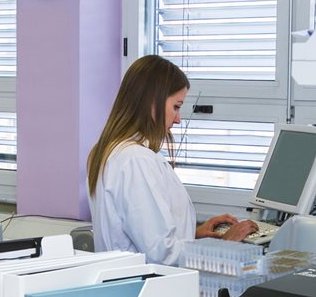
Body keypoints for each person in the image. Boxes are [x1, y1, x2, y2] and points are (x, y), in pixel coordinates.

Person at [86, 54, 257, 263]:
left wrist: (195, 234)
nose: (178, 119)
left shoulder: (109, 151)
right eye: (176, 106)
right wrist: (224, 245)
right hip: (152, 280)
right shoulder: (135, 159)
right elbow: (161, 253)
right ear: (152, 103)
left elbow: (142, 237)